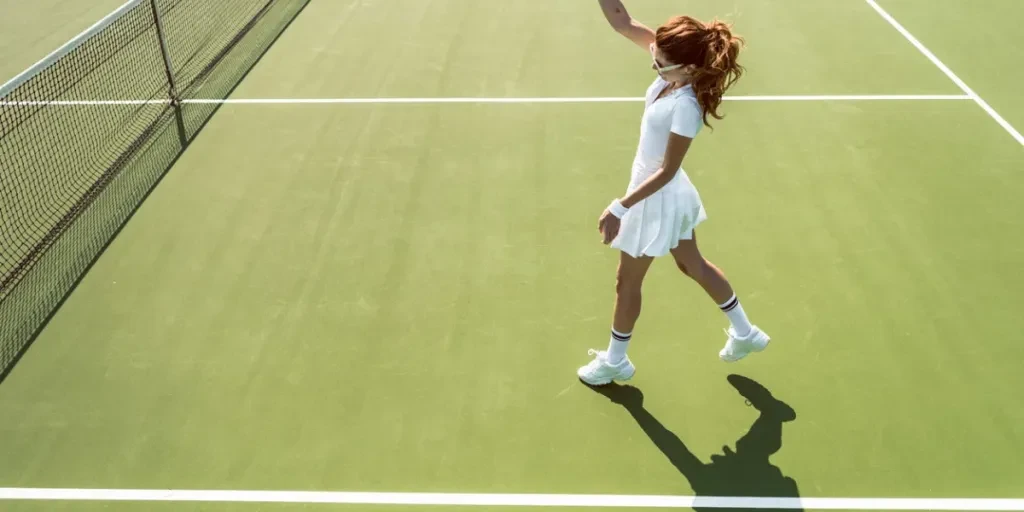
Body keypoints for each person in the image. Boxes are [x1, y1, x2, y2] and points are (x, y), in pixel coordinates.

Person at [578, 0, 770, 386]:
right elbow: (622, 20)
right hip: (667, 194)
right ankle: (747, 334)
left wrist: (619, 206)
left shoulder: (686, 106)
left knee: (627, 282)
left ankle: (616, 361)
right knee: (691, 265)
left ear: (689, 67)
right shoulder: (675, 69)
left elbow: (667, 170)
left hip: (655, 197)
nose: (654, 63)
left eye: (661, 61)